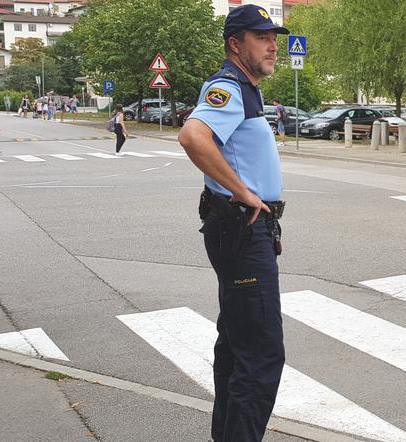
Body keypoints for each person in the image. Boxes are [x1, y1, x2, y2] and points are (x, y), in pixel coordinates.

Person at [177, 5, 288, 441]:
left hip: (243, 229)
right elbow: (193, 136)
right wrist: (243, 192)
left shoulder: (246, 87)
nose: (272, 45)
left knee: (237, 347)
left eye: (273, 36)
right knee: (261, 356)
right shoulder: (229, 86)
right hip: (241, 229)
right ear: (235, 44)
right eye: (261, 37)